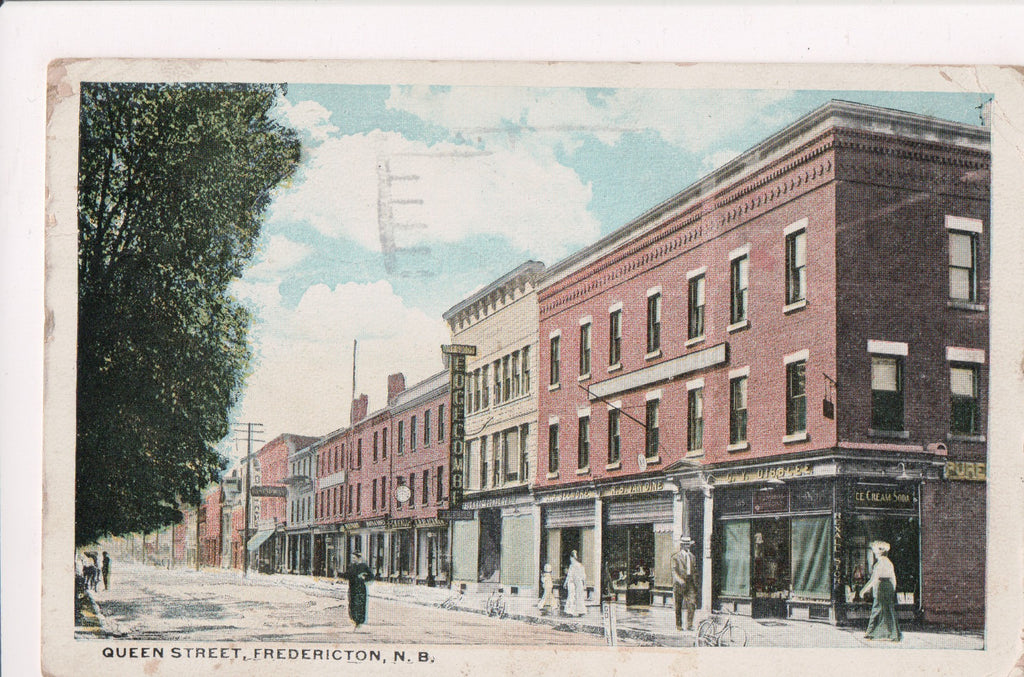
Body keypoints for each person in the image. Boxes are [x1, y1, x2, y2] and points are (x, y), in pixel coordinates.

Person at [860, 540, 902, 641]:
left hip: (881, 587)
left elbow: (874, 580)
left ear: (879, 551)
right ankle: (893, 634)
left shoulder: (879, 564)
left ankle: (870, 633)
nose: (874, 552)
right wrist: (893, 589)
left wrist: (863, 590)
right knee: (889, 610)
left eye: (874, 550)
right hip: (889, 587)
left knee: (877, 609)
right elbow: (893, 578)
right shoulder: (889, 563)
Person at [672, 535, 699, 631]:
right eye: (686, 544)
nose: (688, 546)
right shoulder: (676, 557)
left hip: (690, 582)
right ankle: (679, 625)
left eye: (689, 544)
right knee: (678, 605)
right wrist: (680, 580)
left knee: (692, 603)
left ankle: (689, 625)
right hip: (679, 584)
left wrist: (695, 582)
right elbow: (674, 572)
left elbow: (695, 570)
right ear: (682, 545)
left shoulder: (692, 557)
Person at [344, 553, 374, 629]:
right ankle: (354, 619)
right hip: (352, 588)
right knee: (352, 604)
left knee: (360, 604)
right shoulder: (352, 566)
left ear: (358, 558)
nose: (353, 559)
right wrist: (339, 574)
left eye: (354, 558)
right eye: (352, 558)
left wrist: (365, 577)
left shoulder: (364, 567)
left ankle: (360, 621)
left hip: (361, 589)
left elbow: (371, 576)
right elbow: (347, 575)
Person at [562, 551, 587, 617]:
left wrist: (584, 584)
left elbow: (583, 576)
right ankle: (570, 611)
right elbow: (570, 575)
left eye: (571, 558)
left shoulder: (578, 566)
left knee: (577, 596)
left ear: (573, 558)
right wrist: (566, 583)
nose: (571, 559)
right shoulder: (573, 566)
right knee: (572, 595)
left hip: (577, 581)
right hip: (573, 582)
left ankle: (580, 611)